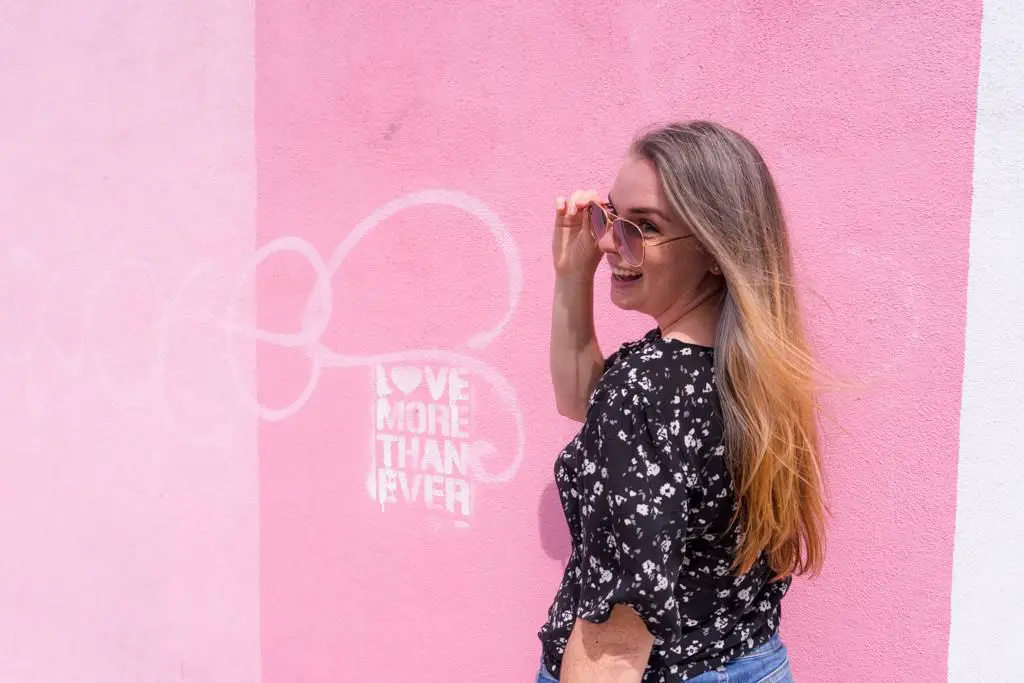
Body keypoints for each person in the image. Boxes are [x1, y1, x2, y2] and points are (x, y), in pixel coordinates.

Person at [537, 121, 827, 683]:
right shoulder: (757, 366)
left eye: (642, 227)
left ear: (716, 249)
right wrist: (572, 277)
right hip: (754, 663)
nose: (606, 242)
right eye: (610, 216)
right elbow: (581, 403)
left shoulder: (645, 389)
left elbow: (618, 636)